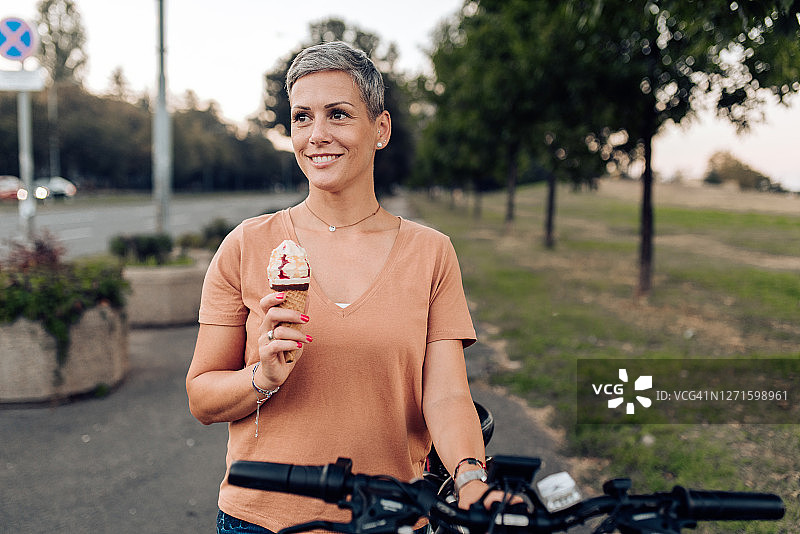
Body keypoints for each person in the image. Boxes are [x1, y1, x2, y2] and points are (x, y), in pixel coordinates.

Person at [187, 41, 490, 534]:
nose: (317, 135)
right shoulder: (247, 244)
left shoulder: (431, 252)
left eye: (339, 114)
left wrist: (471, 479)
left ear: (381, 129)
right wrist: (262, 376)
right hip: (261, 522)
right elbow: (202, 397)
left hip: (391, 520)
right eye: (302, 117)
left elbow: (447, 396)